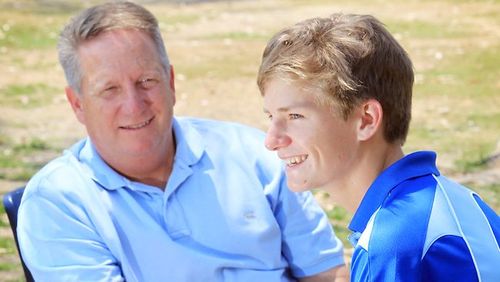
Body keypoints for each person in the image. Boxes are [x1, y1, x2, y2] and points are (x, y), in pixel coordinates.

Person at [16, 1, 350, 281]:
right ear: (77, 104)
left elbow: (325, 273)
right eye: (109, 90)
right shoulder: (57, 202)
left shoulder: (255, 155)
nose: (134, 106)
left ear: (171, 82)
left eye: (146, 81)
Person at [258, 13, 500, 282]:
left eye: (295, 116)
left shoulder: (391, 243)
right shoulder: (459, 200)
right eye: (271, 117)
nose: (271, 140)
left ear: (366, 120)